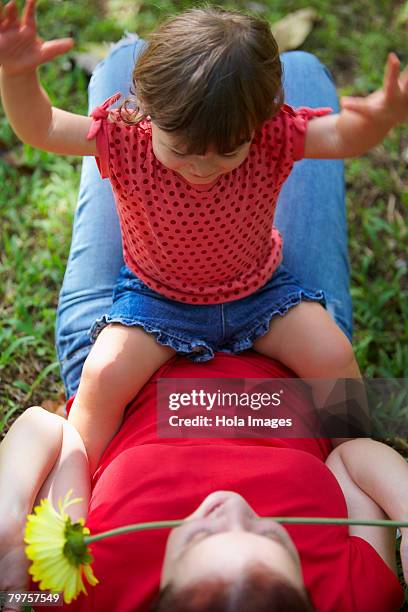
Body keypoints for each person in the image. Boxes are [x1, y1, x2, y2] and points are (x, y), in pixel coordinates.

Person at [0, 28, 406, 612]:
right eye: (185, 150)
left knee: (322, 355)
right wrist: (18, 77)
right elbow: (43, 129)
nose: (204, 167)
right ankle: (350, 437)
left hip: (250, 290)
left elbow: (339, 134)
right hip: (161, 295)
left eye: (226, 151)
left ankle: (86, 460)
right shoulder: (128, 136)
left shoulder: (81, 589)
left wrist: (31, 541)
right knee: (110, 374)